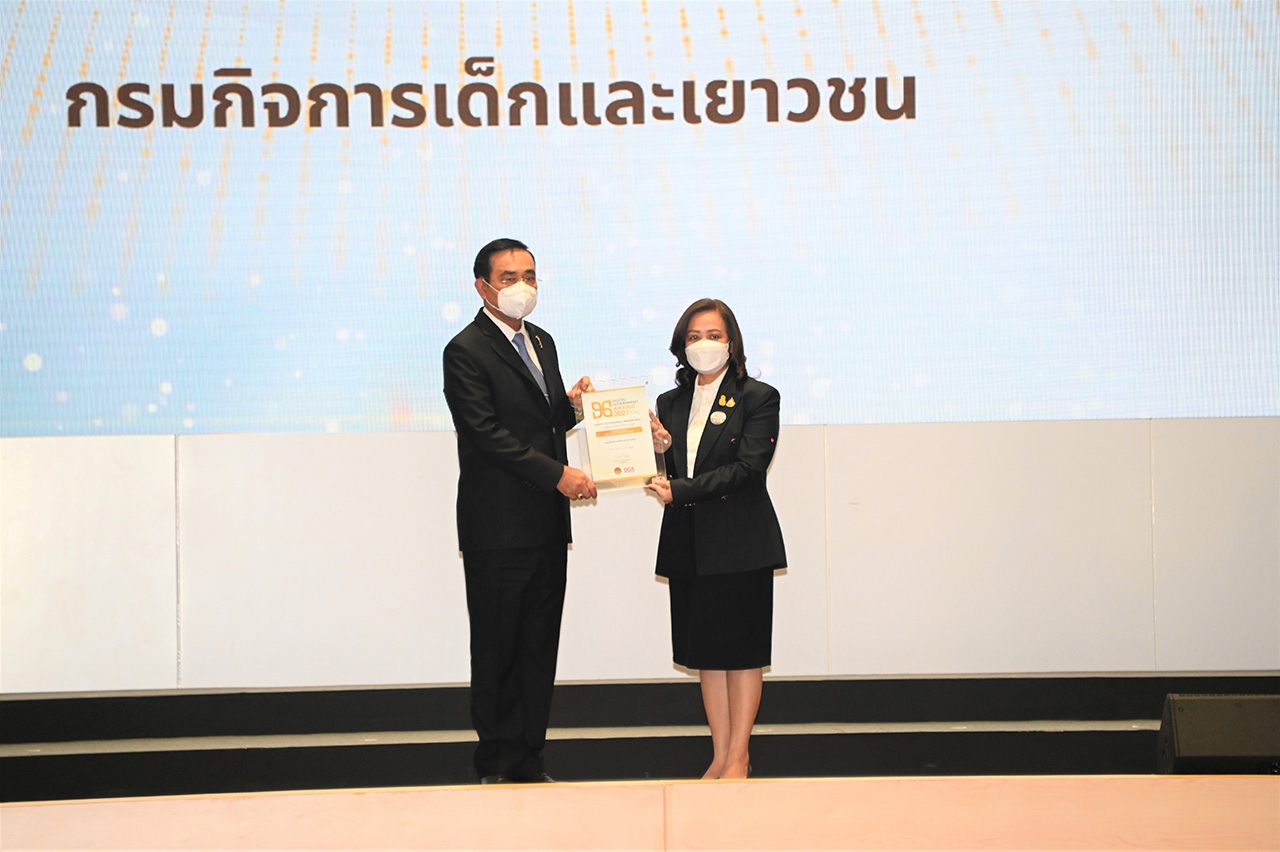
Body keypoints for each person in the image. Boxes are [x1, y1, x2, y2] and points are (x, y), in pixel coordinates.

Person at [442, 238, 597, 784]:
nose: (522, 286)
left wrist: (573, 408)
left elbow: (542, 421)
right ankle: (497, 765)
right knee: (498, 650)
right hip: (498, 527)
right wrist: (559, 475)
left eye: (529, 275)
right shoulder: (465, 349)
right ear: (482, 286)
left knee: (537, 648)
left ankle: (530, 761)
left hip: (546, 526)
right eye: (508, 277)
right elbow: (486, 434)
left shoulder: (542, 341)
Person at [646, 298, 786, 780]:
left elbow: (748, 468)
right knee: (707, 655)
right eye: (693, 337)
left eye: (713, 335)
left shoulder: (758, 397)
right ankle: (720, 754)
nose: (702, 344)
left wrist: (680, 489)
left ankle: (740, 757)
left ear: (731, 342)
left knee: (741, 654)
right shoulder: (670, 403)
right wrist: (662, 451)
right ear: (681, 346)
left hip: (740, 541)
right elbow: (679, 467)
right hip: (689, 542)